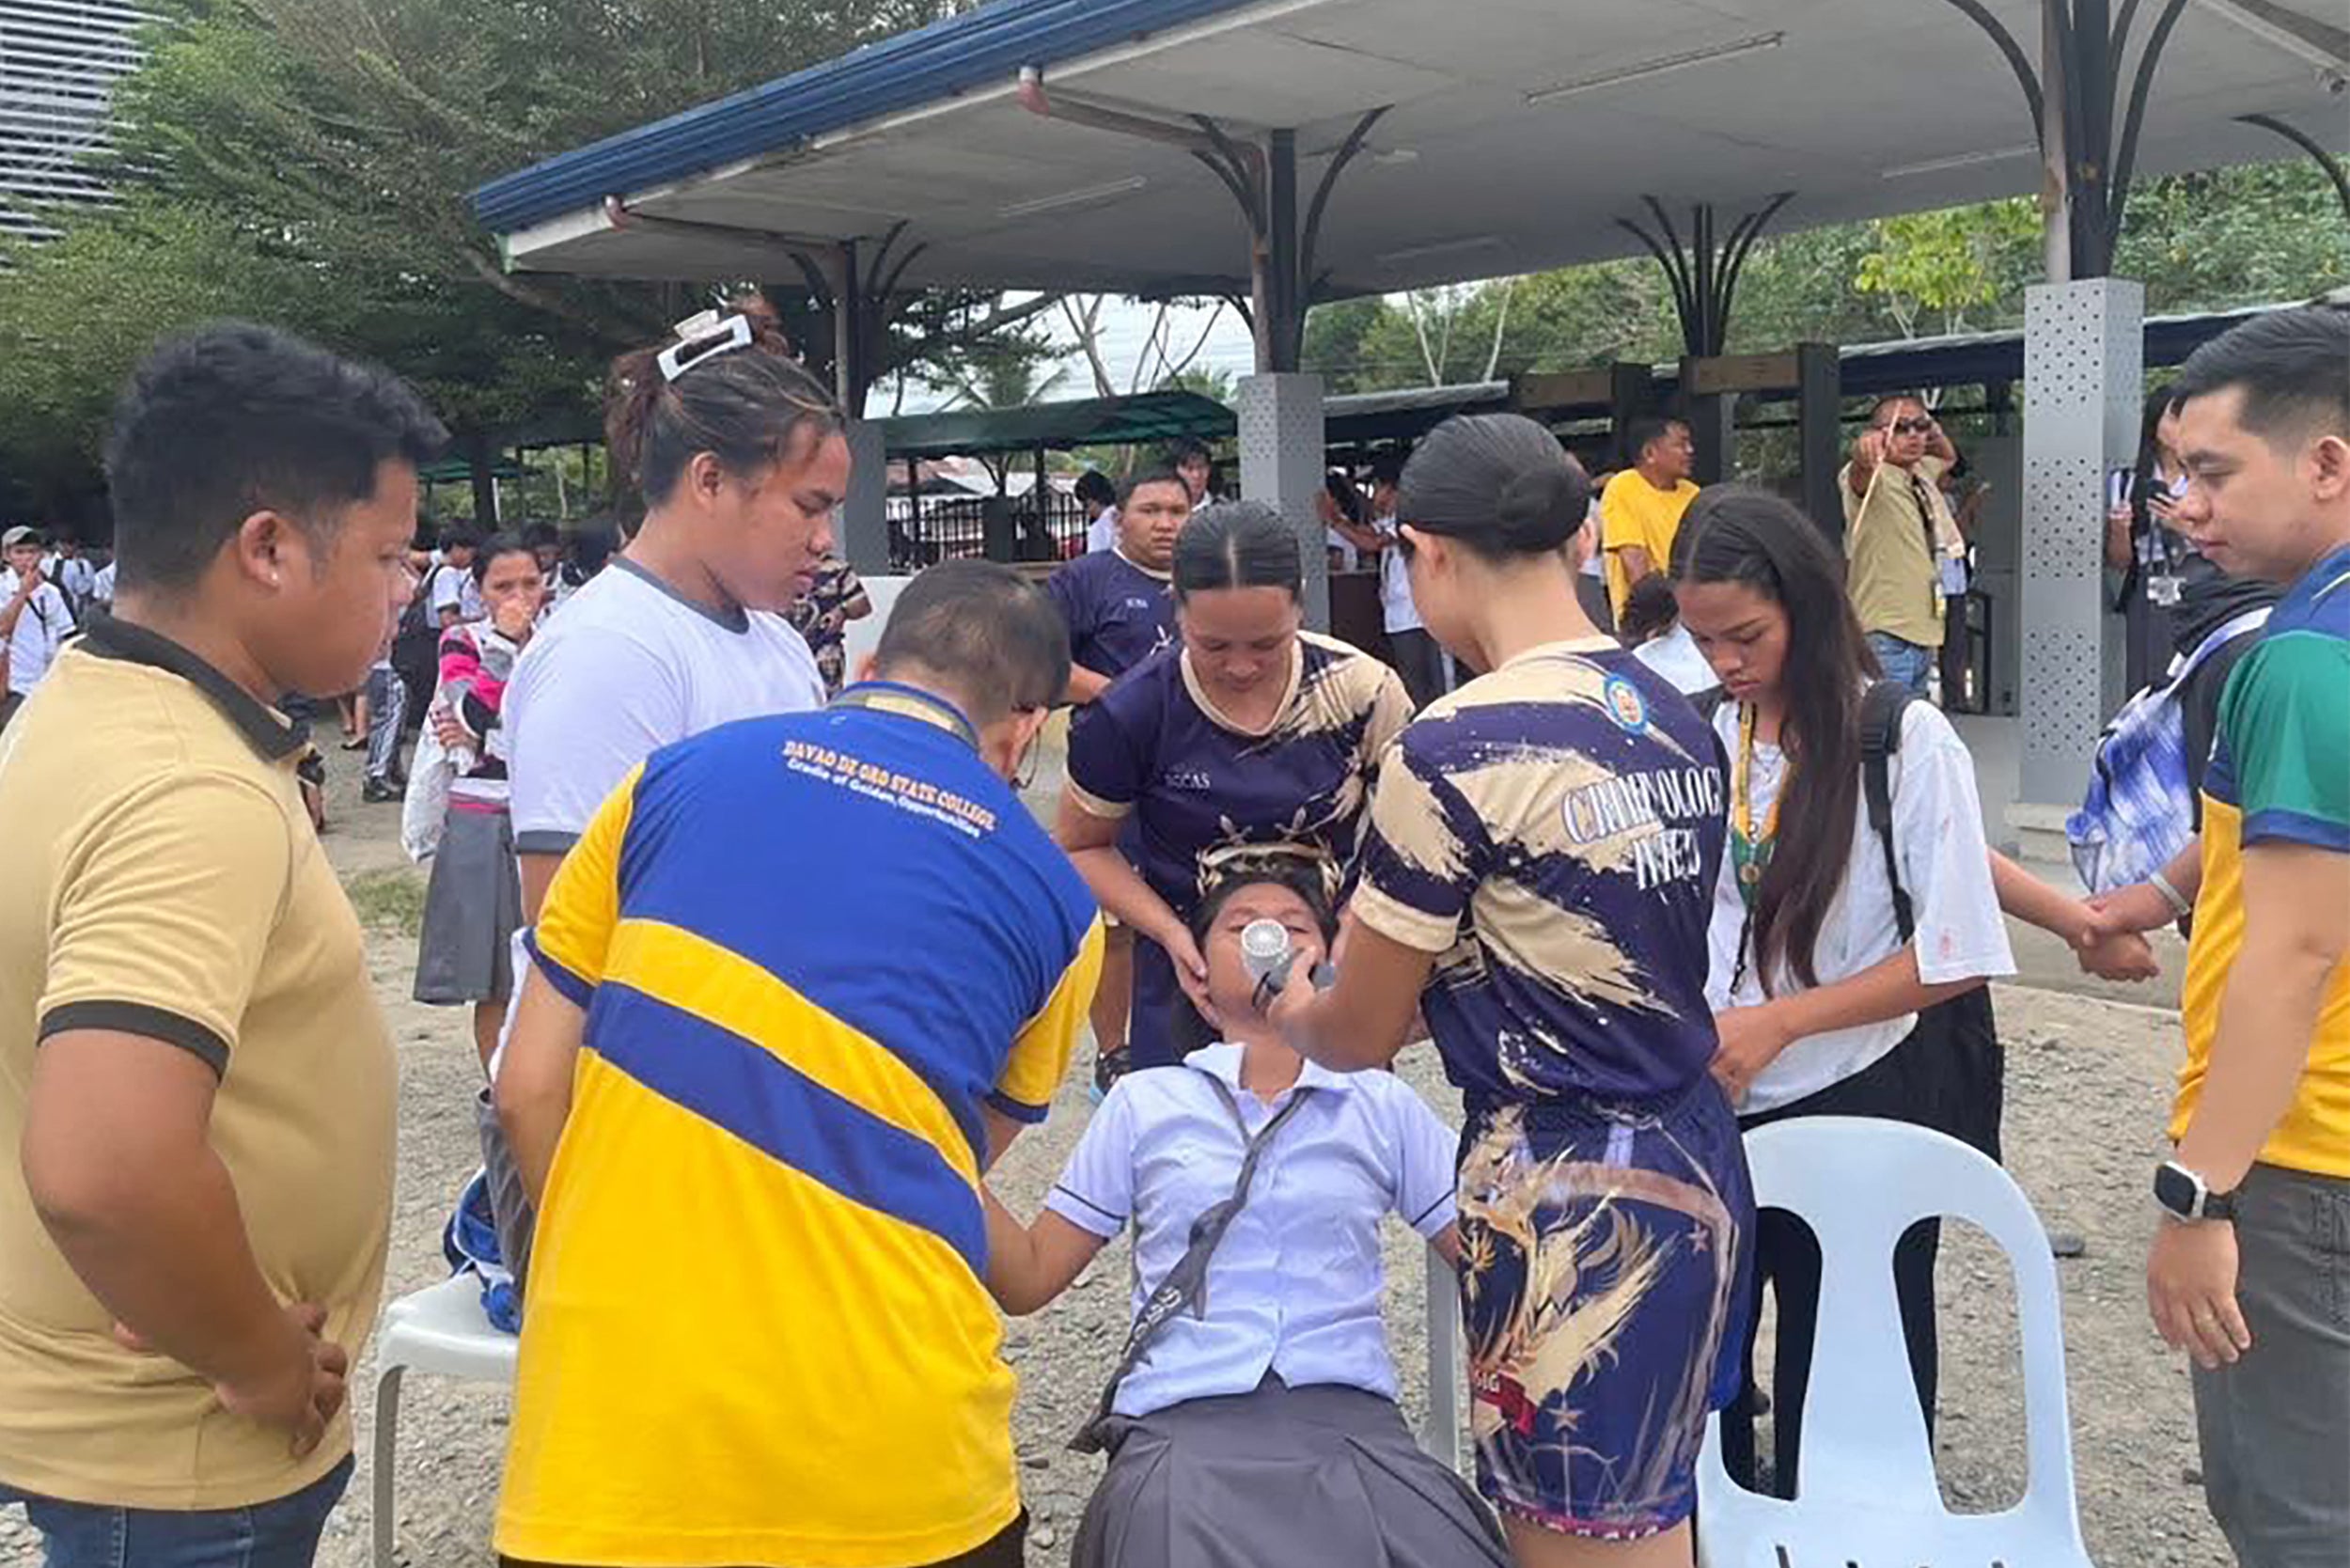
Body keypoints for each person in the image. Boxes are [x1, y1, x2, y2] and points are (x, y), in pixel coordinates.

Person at [492, 560, 1102, 1568]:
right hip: (898, 1467)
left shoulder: (669, 781)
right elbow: (944, 1161)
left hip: (617, 1452)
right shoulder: (1060, 907)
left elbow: (526, 1089)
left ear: (868, 664)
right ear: (1025, 729)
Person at [1270, 413, 1750, 1566]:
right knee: (1652, 1511)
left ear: (1424, 550)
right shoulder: (1677, 718)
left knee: (1576, 1534)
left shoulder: (1452, 748)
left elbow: (1361, 1030)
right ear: (1584, 537)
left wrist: (1291, 1000)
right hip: (1693, 1150)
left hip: (1564, 1191)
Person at [0, 321, 439, 1565]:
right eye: (391, 555)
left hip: (138, 1423)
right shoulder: (184, 792)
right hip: (186, 1454)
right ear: (269, 547)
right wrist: (254, 1357)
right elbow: (108, 1167)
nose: (406, 588)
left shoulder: (83, 705)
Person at [983, 865, 1508, 1568]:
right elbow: (1030, 1276)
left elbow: (1493, 1260)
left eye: (1296, 927)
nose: (1272, 937)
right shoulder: (1146, 1102)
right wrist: (926, 1141)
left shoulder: (1378, 1102)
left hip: (1351, 1426)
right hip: (1180, 1428)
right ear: (1198, 977)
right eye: (1242, 926)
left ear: (1327, 965)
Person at [487, 307, 848, 1293]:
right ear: (709, 481)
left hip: (740, 1085)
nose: (824, 540)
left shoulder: (770, 638)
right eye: (807, 507)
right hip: (620, 1102)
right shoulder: (610, 652)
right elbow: (564, 922)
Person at [1669, 484, 2013, 1497]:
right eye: (1702, 641)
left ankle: (1847, 1517)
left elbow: (1954, 952)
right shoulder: (1700, 731)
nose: (1726, 664)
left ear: (1809, 609)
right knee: (1711, 1341)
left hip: (1860, 1085)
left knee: (1851, 1341)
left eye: (1746, 637)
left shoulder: (1899, 739)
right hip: (1719, 1093)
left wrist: (1782, 1021)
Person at [2095, 306, 2349, 1568]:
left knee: (2296, 1514)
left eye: (2212, 472)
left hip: (2305, 1162)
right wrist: (2148, 900)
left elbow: (2296, 952)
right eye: (2171, 476)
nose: (2184, 508)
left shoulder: (2303, 657)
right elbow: (2279, 826)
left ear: (2326, 463)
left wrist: (2200, 1191)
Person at [1058, 501, 1411, 1081]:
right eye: (1214, 645)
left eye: (1267, 644)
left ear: (1300, 602)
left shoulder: (1361, 691)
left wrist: (1355, 924)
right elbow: (1081, 846)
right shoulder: (1136, 709)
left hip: (1329, 972)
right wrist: (1169, 933)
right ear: (1176, 609)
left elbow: (1413, 832)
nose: (1242, 667)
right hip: (1188, 978)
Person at [1048, 467, 1188, 1094]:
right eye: (1150, 510)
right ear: (1120, 518)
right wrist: (1128, 698)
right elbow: (1042, 661)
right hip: (1111, 772)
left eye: (1177, 511)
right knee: (1117, 919)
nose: (1165, 523)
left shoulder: (1210, 574)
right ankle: (1115, 1050)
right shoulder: (1085, 579)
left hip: (1193, 769)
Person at [414, 535, 547, 1070]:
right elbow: (470, 714)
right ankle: (500, 1095)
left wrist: (483, 734)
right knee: (493, 977)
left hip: (548, 809)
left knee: (557, 968)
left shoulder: (565, 639)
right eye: (503, 586)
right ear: (479, 589)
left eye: (531, 583)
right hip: (484, 820)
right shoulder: (461, 641)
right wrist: (502, 646)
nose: (520, 596)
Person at [1843, 394, 1965, 699]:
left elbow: (1949, 457)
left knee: (1910, 735)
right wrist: (1865, 447)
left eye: (1920, 426)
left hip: (1923, 634)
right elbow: (1859, 472)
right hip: (1886, 633)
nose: (1913, 435)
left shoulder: (1920, 473)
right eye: (1901, 428)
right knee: (1883, 732)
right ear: (1880, 433)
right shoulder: (1875, 477)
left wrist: (1930, 427)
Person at [1358, 451, 1449, 709]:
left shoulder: (1410, 517)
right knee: (1413, 684)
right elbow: (1367, 532)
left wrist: (1333, 521)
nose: (1373, 495)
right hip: (1399, 616)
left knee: (1431, 688)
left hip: (1418, 616)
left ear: (1389, 488)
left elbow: (1371, 543)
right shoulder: (1389, 519)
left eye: (1375, 487)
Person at [1599, 416, 1700, 624]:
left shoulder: (1694, 494)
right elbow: (1634, 560)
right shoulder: (1624, 487)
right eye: (1681, 444)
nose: (1690, 450)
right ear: (1650, 453)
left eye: (1689, 443)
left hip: (1693, 619)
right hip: (1648, 621)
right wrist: (1655, 618)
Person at [2, 525, 76, 729]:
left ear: (41, 555)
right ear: (6, 556)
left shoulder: (50, 592)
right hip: (12, 684)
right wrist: (23, 592)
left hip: (46, 681)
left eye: (32, 551)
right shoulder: (2, 588)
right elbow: (2, 628)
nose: (26, 558)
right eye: (19, 552)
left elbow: (66, 633)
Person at [785, 552, 873, 696]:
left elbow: (863, 605)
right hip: (787, 647)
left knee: (826, 698)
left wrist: (842, 612)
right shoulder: (779, 565)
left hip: (824, 649)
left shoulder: (837, 568)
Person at [429, 522, 485, 627]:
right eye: (465, 549)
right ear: (454, 547)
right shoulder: (447, 574)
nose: (470, 554)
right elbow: (447, 620)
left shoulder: (443, 569)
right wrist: (483, 620)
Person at [1077, 468, 1120, 554]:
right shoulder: (1125, 515)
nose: (1088, 511)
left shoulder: (1099, 527)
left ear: (1097, 499)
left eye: (1087, 505)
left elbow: (1095, 561)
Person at [1169, 438, 1217, 510]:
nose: (1196, 475)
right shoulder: (1164, 509)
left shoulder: (1223, 511)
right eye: (1189, 468)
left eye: (1201, 467)